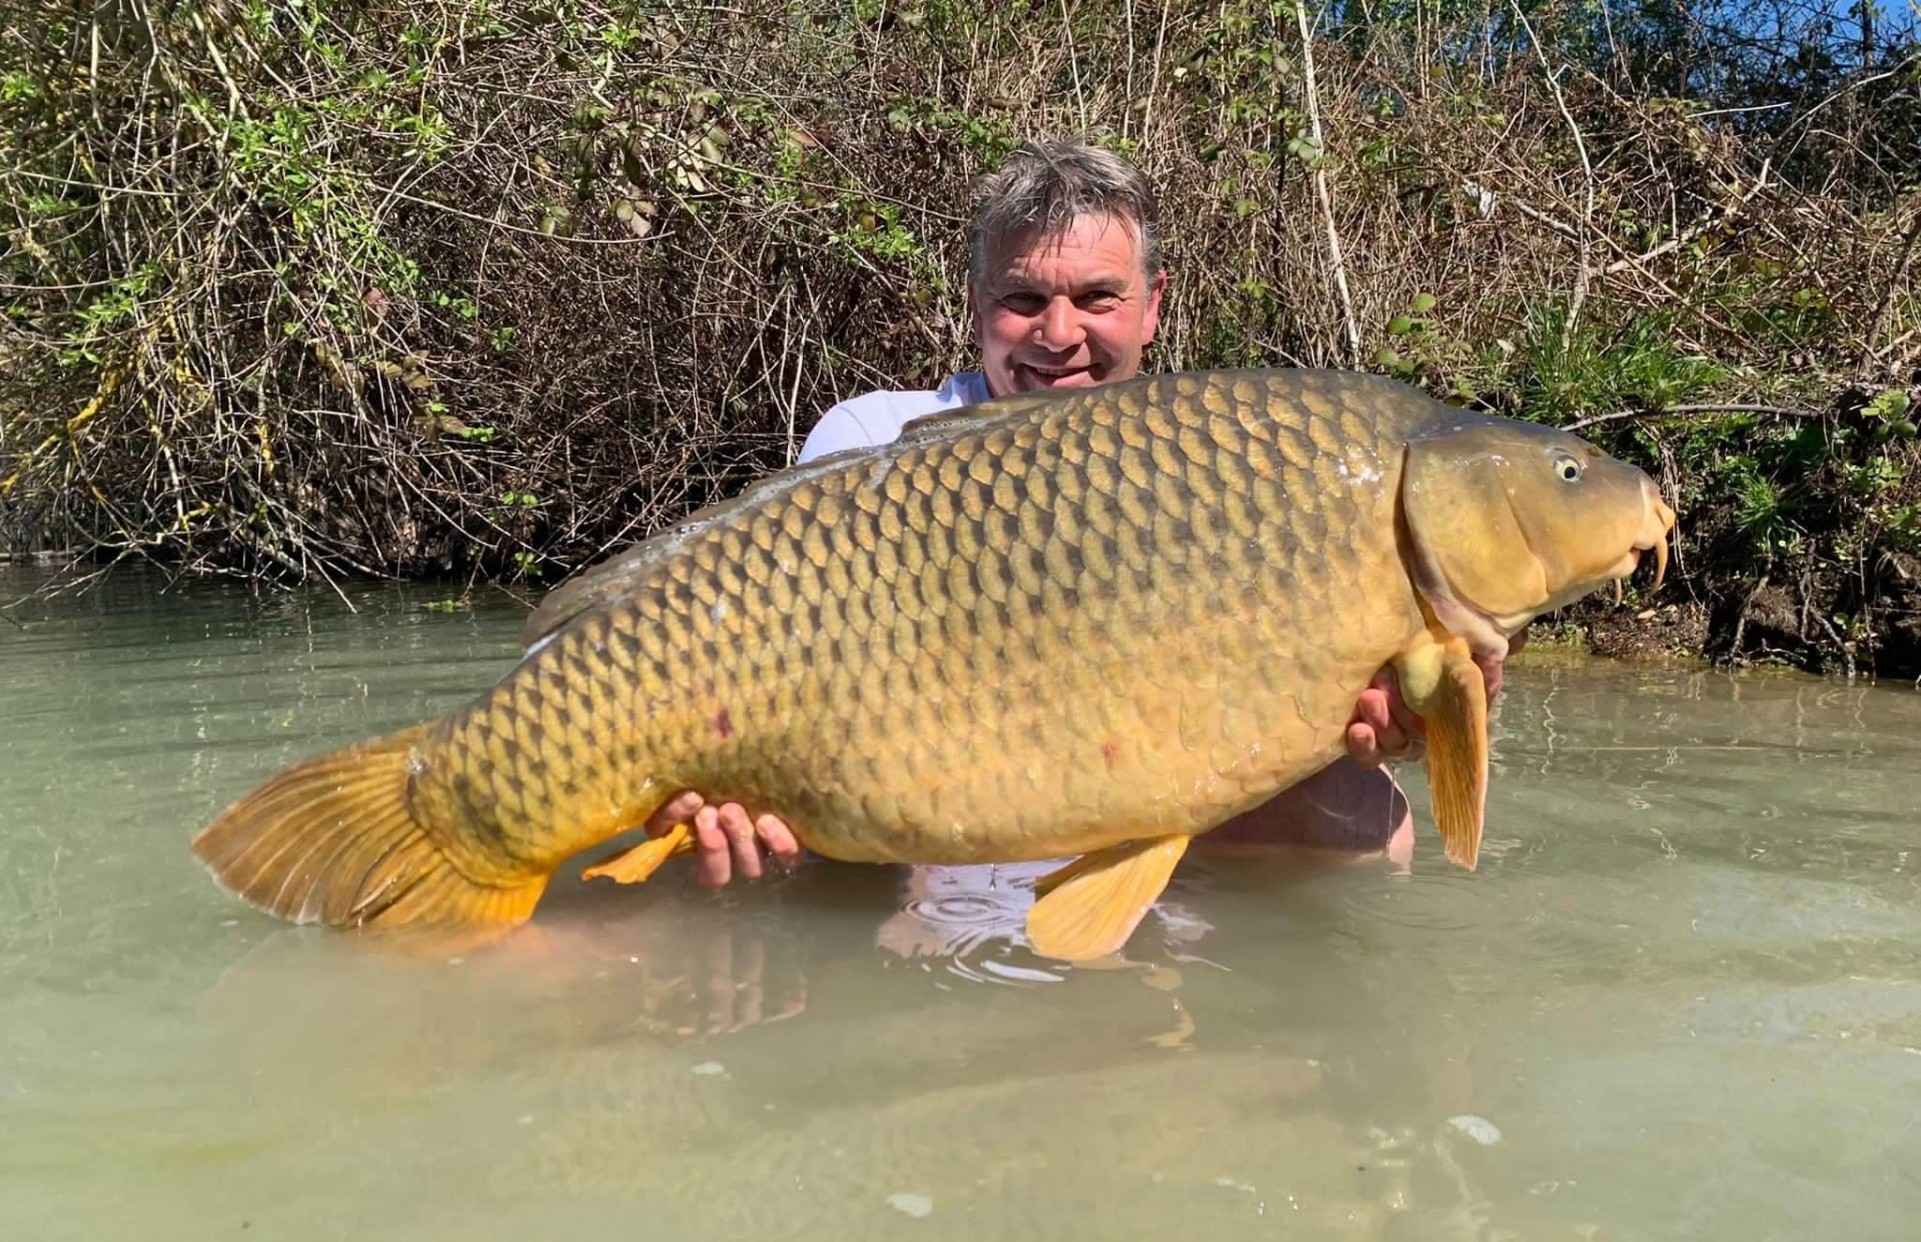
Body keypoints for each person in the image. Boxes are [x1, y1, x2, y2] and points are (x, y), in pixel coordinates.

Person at [644, 137, 1519, 892]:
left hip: (1170, 868)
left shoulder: (1242, 456)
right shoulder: (877, 440)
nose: (1057, 334)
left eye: (1097, 298)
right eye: (1023, 299)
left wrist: (1392, 714)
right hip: (935, 891)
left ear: (1152, 305)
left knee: (1379, 840)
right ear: (979, 306)